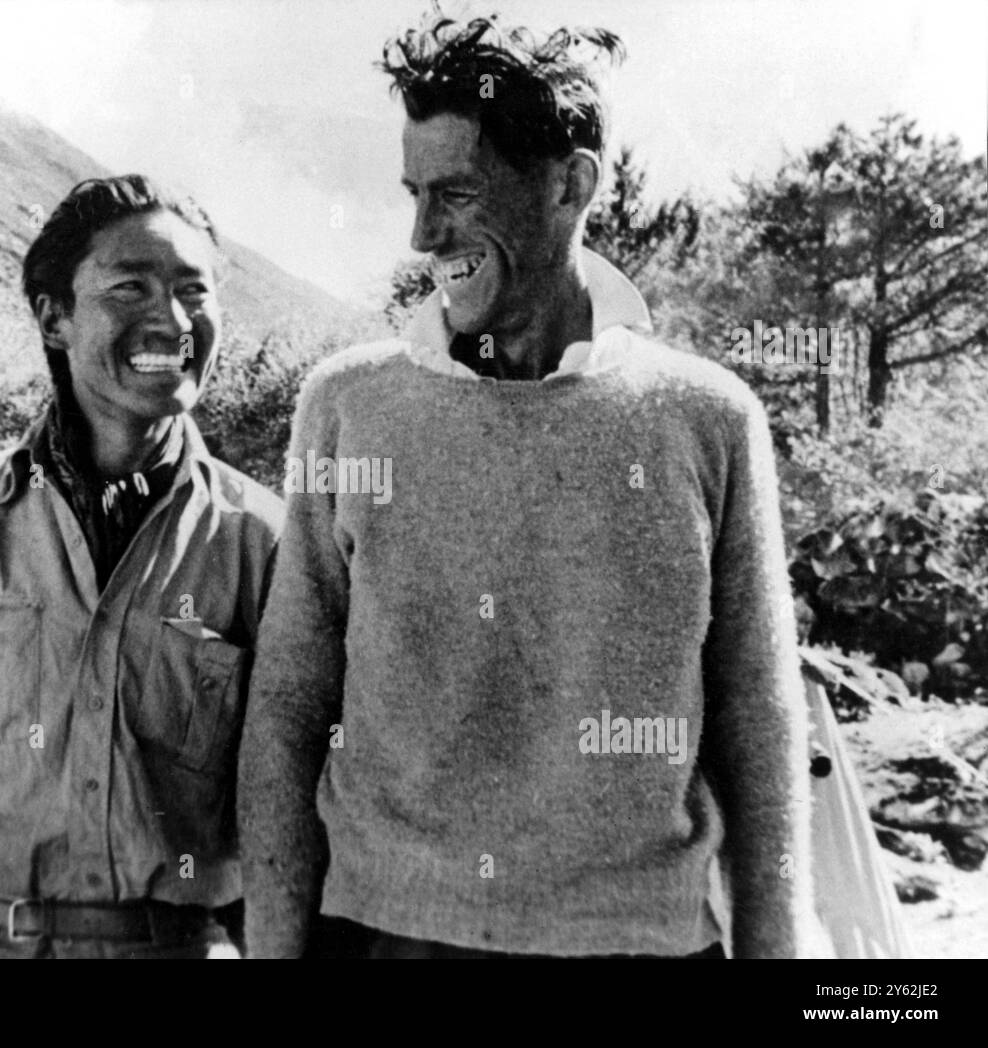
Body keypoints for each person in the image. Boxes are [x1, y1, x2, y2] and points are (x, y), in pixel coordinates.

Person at [238, 12, 812, 959]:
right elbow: (291, 704)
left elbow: (758, 713)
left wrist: (780, 952)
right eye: (414, 195)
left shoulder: (707, 419)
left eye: (457, 193)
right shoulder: (347, 407)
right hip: (386, 937)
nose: (424, 233)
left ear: (570, 184)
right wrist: (273, 945)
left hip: (642, 941)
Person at [0, 175, 283, 958]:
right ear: (54, 317)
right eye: (131, 287)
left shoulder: (266, 544)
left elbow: (286, 802)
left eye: (194, 290)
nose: (172, 318)